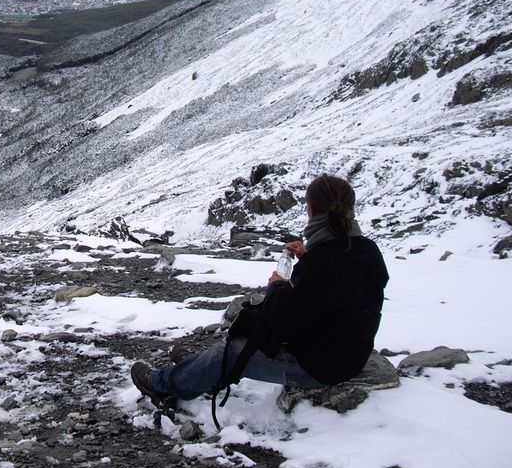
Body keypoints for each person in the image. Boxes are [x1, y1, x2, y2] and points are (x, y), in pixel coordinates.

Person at [131, 173, 389, 404]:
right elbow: (342, 287)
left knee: (231, 350)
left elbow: (284, 323)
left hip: (321, 366)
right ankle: (194, 368)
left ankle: (163, 385)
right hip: (350, 352)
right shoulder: (366, 250)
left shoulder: (322, 262)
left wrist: (277, 286)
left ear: (311, 210)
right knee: (238, 342)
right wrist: (308, 262)